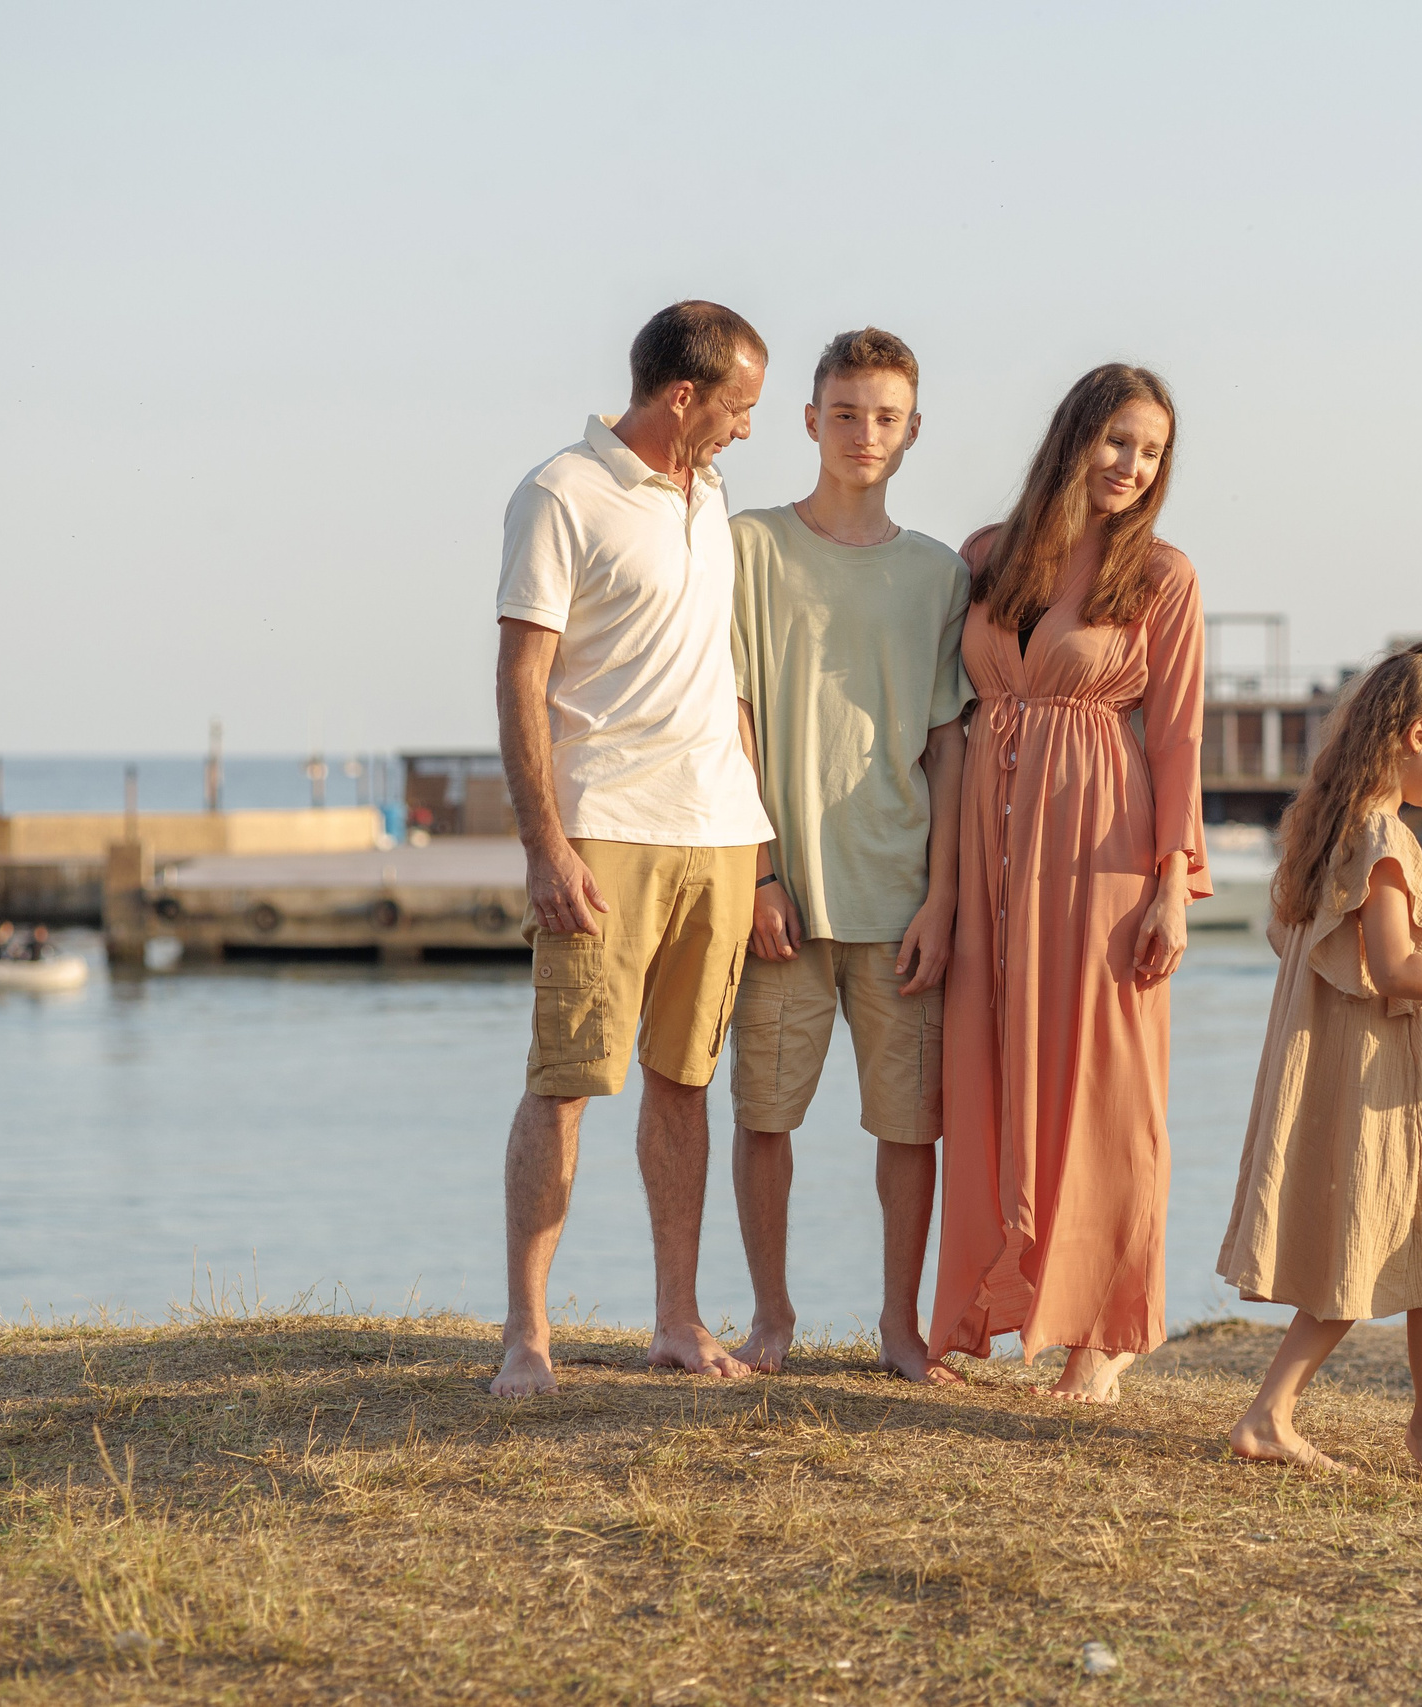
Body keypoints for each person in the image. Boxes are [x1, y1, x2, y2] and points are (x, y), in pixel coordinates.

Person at [489, 299, 776, 1398]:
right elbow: (521, 679)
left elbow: (722, 683)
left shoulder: (709, 496)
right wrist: (544, 846)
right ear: (682, 396)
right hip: (605, 829)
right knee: (565, 1082)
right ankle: (527, 1334)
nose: (748, 429)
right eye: (740, 407)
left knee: (685, 1081)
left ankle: (676, 1321)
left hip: (717, 829)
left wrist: (759, 852)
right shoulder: (563, 493)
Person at [927, 364, 1209, 1403]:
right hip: (988, 842)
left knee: (1108, 1084)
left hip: (1103, 844)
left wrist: (1173, 887)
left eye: (1151, 452)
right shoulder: (985, 558)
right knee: (988, 1066)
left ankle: (1107, 1331)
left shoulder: (1164, 578)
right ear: (1073, 438)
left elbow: (1176, 738)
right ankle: (981, 1308)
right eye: (1118, 442)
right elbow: (939, 709)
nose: (1132, 468)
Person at [1216, 637, 1422, 1489]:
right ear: (1417, 732)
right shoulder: (1381, 835)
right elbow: (1396, 968)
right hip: (1378, 1072)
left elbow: (1295, 934)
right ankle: (1271, 1414)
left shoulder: (1331, 821)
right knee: (1367, 1233)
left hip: (1354, 1054)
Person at [726, 328, 971, 1382]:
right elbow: (728, 715)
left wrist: (946, 900)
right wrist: (758, 871)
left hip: (900, 890)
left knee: (908, 1129)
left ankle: (898, 1328)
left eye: (884, 416)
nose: (862, 433)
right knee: (763, 1114)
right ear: (810, 417)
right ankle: (770, 1318)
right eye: (845, 411)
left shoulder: (939, 573)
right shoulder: (751, 548)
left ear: (912, 430)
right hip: (783, 892)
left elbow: (948, 745)